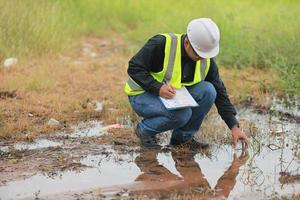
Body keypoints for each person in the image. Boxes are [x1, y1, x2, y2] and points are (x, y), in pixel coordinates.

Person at [124, 18, 249, 149]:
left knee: (209, 90)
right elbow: (134, 67)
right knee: (182, 114)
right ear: (187, 42)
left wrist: (234, 127)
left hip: (172, 97)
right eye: (198, 54)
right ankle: (145, 131)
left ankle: (182, 138)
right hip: (142, 95)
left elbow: (220, 91)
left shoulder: (205, 57)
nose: (201, 58)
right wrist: (158, 88)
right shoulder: (161, 44)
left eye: (204, 55)